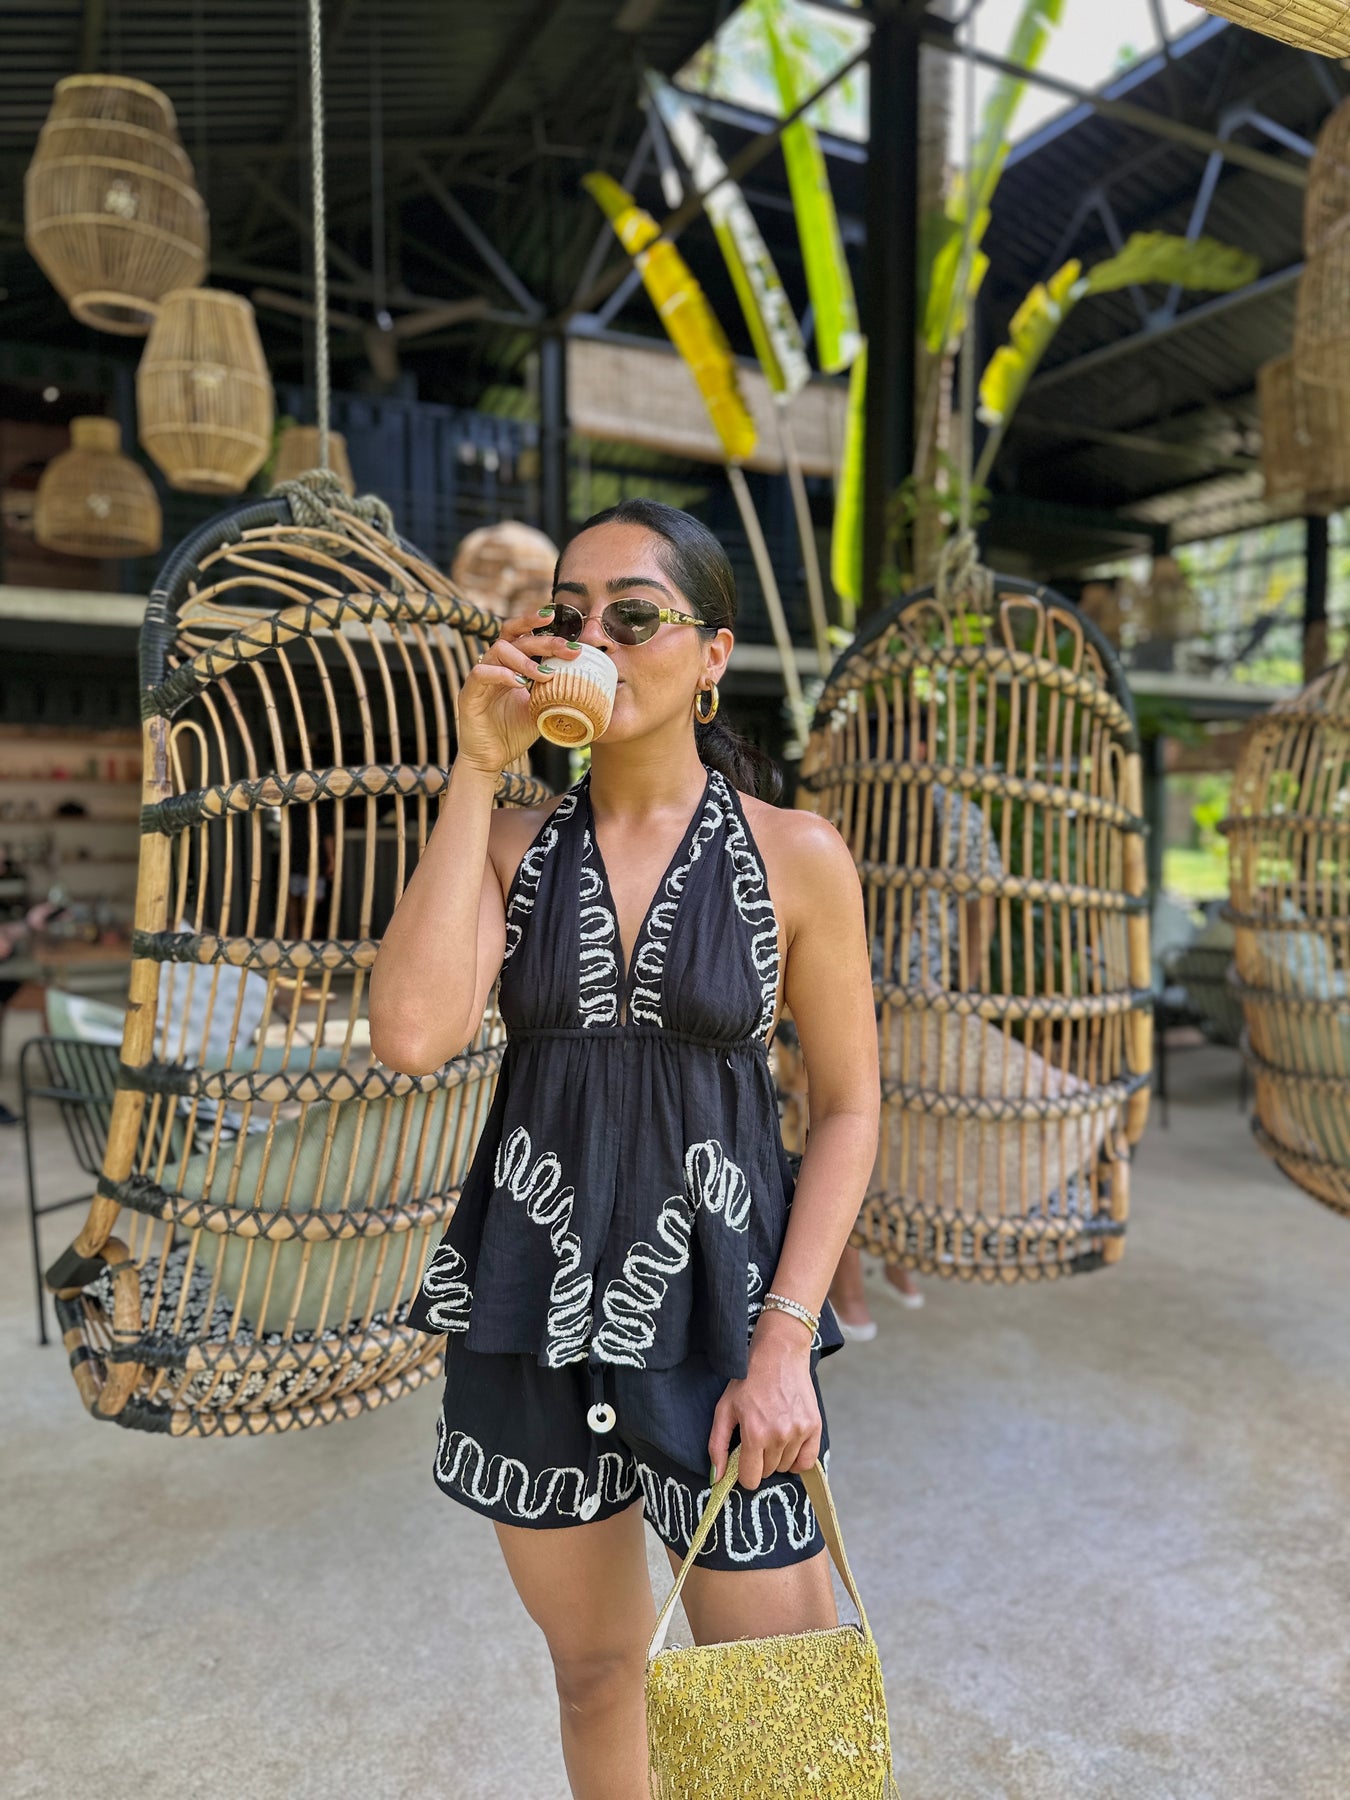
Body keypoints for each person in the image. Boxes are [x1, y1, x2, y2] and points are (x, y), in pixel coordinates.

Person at [370, 498, 879, 1799]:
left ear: (712, 655)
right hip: (528, 1313)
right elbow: (413, 1034)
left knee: (775, 1722)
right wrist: (474, 767)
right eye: (568, 616)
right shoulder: (509, 843)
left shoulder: (797, 858)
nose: (593, 638)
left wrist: (785, 1343)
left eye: (634, 616)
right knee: (597, 1675)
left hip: (721, 1325)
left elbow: (847, 1110)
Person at [826, 736, 1003, 1335]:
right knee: (876, 1128)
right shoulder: (857, 810)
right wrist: (965, 984)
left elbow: (980, 905)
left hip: (870, 990)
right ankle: (861, 1277)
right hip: (882, 990)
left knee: (858, 1126)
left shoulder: (852, 806)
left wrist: (965, 989)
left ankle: (875, 1270)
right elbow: (982, 906)